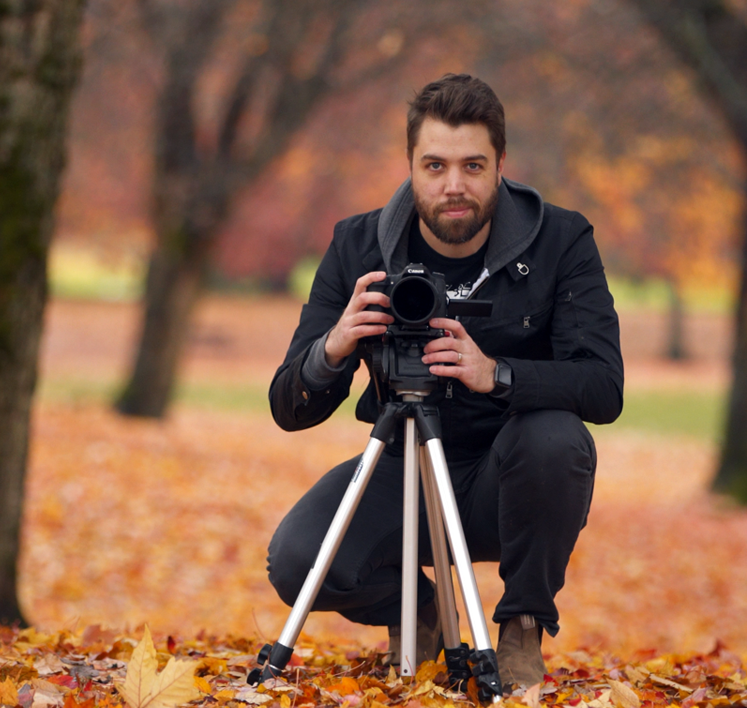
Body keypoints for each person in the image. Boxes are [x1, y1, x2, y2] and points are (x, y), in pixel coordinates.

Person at [266, 74, 624, 691]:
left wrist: (497, 374)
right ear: (409, 164)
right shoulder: (359, 245)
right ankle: (423, 609)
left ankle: (520, 629)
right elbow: (287, 407)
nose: (453, 186)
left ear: (501, 165)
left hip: (505, 477)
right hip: (401, 466)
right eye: (434, 165)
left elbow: (602, 388)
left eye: (472, 165)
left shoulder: (562, 240)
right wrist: (335, 345)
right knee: (297, 561)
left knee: (556, 439)